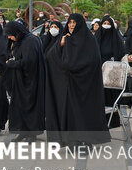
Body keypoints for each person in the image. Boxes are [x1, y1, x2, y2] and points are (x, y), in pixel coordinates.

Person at [45, 14, 110, 146]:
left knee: (82, 114)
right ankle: (72, 140)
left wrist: (73, 68)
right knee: (70, 114)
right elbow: (50, 57)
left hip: (84, 86)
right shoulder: (66, 39)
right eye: (70, 22)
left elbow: (92, 61)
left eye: (74, 22)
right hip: (68, 85)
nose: (71, 25)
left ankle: (86, 142)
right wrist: (61, 45)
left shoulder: (89, 40)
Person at [4, 21, 46, 142]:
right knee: (19, 106)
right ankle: (22, 132)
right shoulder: (22, 40)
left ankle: (32, 134)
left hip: (31, 81)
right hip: (21, 80)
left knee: (30, 106)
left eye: (10, 34)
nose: (9, 37)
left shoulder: (30, 41)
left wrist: (12, 64)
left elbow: (29, 61)